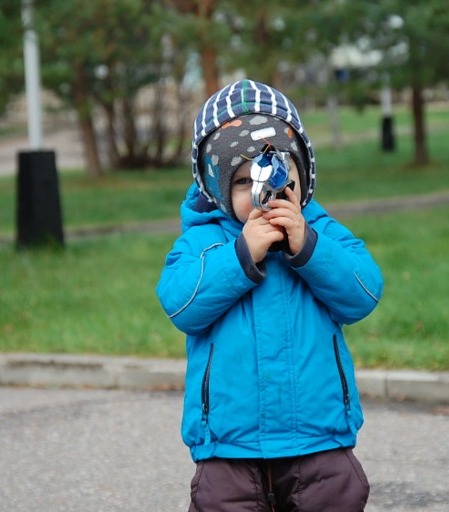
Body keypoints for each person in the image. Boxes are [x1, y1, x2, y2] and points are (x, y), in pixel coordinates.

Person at [156, 79, 383, 512]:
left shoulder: (322, 232)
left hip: (318, 436)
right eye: (243, 181)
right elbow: (181, 304)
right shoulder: (202, 243)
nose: (265, 193)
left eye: (280, 176)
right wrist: (241, 255)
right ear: (215, 185)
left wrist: (309, 247)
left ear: (302, 176)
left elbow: (363, 293)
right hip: (228, 443)